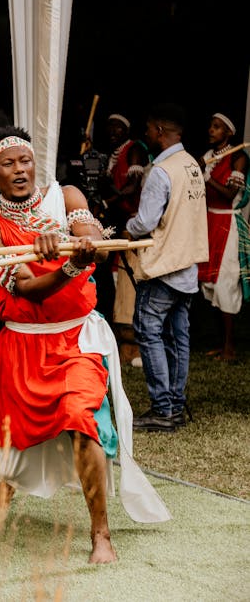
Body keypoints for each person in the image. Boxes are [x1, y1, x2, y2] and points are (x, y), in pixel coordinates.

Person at [0, 126, 170, 564]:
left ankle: (101, 535)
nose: (20, 169)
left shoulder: (66, 197)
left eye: (25, 160)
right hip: (23, 345)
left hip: (76, 339)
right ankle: (7, 484)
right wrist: (64, 268)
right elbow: (26, 289)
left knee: (82, 420)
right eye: (9, 163)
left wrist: (82, 244)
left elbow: (92, 240)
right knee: (18, 430)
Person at [126, 103, 208, 432]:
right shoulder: (191, 164)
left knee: (149, 333)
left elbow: (145, 221)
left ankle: (163, 409)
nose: (145, 134)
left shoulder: (161, 170)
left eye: (148, 129)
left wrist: (126, 226)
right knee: (178, 338)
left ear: (160, 131)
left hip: (163, 265)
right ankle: (174, 404)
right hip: (187, 265)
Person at [196, 112, 250, 362]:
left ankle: (230, 347)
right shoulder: (210, 157)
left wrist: (206, 177)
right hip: (209, 221)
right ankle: (221, 344)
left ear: (229, 133)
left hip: (228, 222)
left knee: (225, 283)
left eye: (217, 127)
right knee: (210, 285)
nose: (211, 130)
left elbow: (229, 195)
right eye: (211, 126)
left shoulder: (238, 157)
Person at [101, 114, 150, 361]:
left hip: (137, 223)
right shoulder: (114, 154)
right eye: (109, 127)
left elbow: (133, 185)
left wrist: (107, 201)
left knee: (133, 281)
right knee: (117, 279)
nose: (112, 131)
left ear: (127, 129)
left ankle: (137, 342)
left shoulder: (134, 150)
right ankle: (122, 341)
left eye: (118, 126)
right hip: (121, 222)